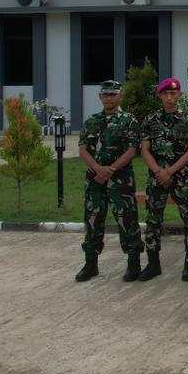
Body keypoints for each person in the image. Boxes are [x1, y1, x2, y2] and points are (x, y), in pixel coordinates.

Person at [75, 80, 142, 283]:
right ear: (100, 97)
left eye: (113, 94)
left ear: (120, 97)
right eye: (106, 95)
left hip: (120, 179)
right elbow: (83, 149)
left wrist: (111, 169)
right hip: (95, 180)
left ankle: (133, 262)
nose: (109, 98)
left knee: (126, 219)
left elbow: (132, 150)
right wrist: (98, 169)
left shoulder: (129, 121)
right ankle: (91, 263)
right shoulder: (92, 121)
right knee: (93, 219)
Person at [138, 77, 188, 282]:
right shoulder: (150, 120)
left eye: (174, 93)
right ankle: (153, 263)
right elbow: (144, 149)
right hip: (157, 178)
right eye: (166, 93)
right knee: (153, 220)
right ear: (160, 96)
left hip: (181, 177)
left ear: (179, 95)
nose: (170, 97)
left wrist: (170, 171)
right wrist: (158, 171)